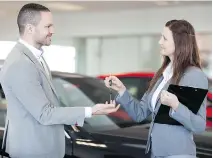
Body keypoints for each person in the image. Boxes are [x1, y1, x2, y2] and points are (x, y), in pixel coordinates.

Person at [0, 3, 119, 158]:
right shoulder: (21, 64)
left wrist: (76, 117)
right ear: (30, 28)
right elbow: (45, 113)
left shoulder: (34, 58)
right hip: (33, 150)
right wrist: (91, 110)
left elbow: (47, 105)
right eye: (48, 26)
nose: (53, 31)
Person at [105, 19, 208, 158]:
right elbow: (139, 114)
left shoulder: (193, 75)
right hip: (157, 153)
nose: (160, 42)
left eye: (164, 38)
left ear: (179, 42)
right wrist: (122, 90)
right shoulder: (162, 75)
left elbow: (199, 125)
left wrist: (175, 105)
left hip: (178, 154)